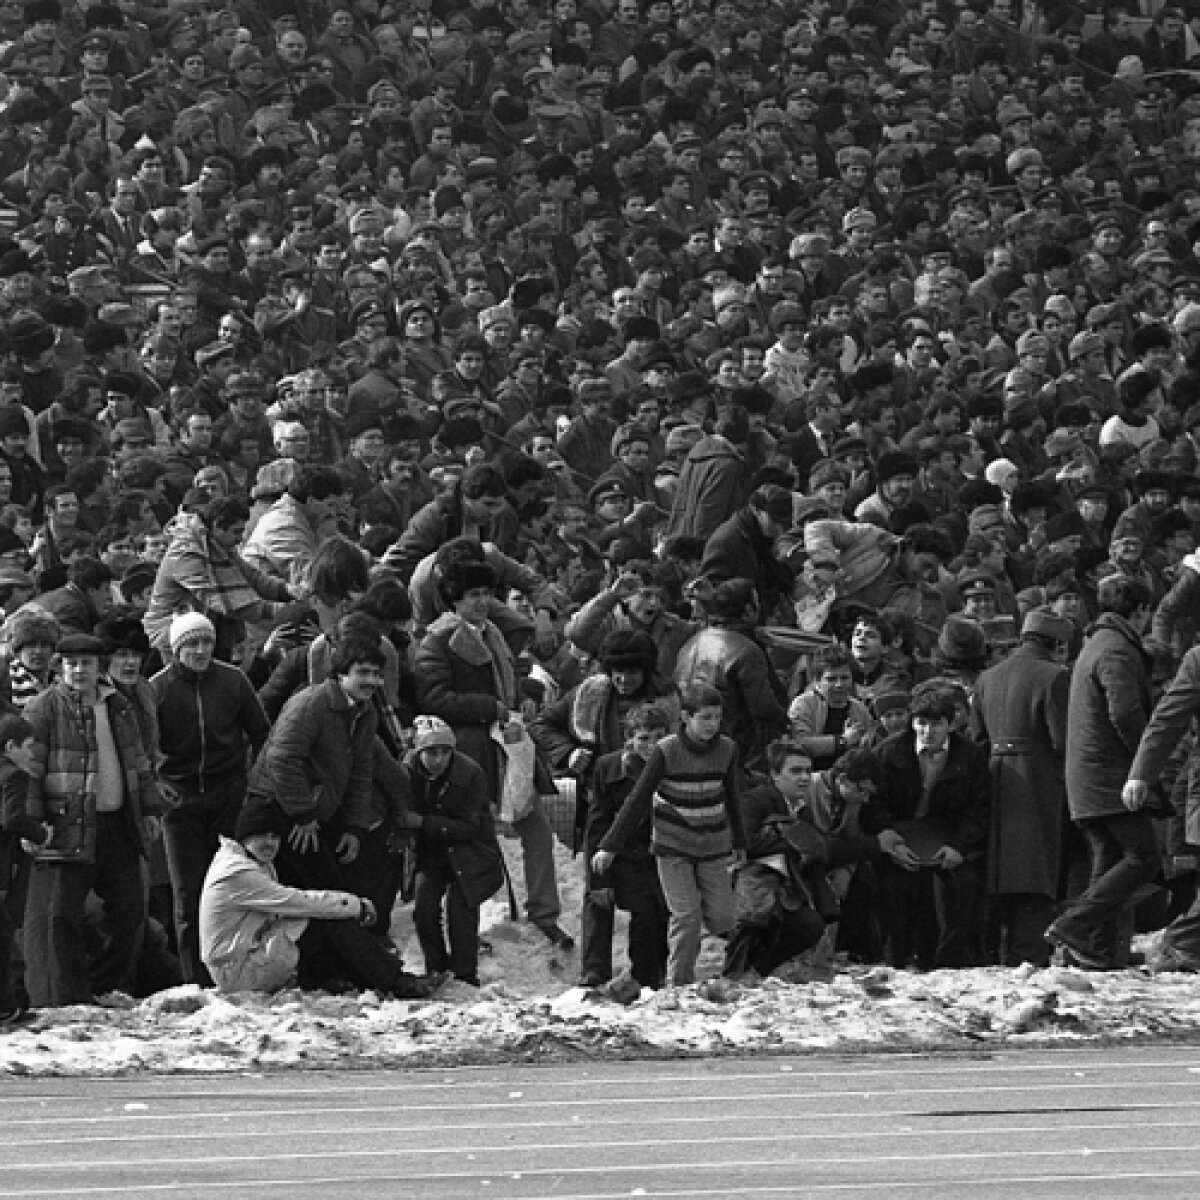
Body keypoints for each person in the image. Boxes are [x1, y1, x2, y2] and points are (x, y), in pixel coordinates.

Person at [239, 633, 437, 996]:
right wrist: (301, 815)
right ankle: (387, 978)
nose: (372, 682)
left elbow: (361, 772)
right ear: (340, 673)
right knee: (330, 895)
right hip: (276, 812)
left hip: (313, 814)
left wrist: (355, 827)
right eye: (363, 672)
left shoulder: (364, 712)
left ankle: (324, 974)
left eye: (377, 674)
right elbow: (282, 759)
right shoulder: (311, 704)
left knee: (321, 895)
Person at [415, 559, 570, 949]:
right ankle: (478, 919)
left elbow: (508, 682)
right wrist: (490, 706)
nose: (482, 602)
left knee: (535, 828)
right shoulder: (437, 641)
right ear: (455, 599)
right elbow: (433, 698)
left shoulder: (492, 633)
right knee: (477, 836)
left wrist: (522, 697)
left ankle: (543, 912)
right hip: (469, 749)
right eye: (473, 595)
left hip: (509, 743)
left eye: (486, 594)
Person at [21, 634, 163, 1006]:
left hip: (116, 824)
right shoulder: (43, 708)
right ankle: (66, 1000)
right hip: (65, 825)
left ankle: (105, 989)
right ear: (61, 668)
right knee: (60, 917)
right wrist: (31, 821)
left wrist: (149, 809)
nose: (79, 671)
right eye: (72, 664)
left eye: (86, 663)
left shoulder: (118, 705)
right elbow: (27, 769)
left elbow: (138, 763)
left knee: (130, 911)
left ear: (100, 666)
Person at [593, 682, 747, 987]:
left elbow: (732, 795)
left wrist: (740, 841)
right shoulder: (667, 751)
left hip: (713, 845)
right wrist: (609, 846)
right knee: (686, 916)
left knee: (723, 918)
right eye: (705, 718)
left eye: (716, 718)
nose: (711, 725)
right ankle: (680, 984)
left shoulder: (727, 749)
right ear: (686, 718)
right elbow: (637, 800)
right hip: (673, 846)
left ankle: (697, 951)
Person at [150, 613, 271, 985]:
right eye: (191, 644)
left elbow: (262, 732)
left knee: (236, 887)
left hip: (228, 795)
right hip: (180, 802)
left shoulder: (233, 681)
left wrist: (253, 780)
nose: (200, 650)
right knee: (187, 893)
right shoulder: (158, 688)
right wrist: (157, 781)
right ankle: (195, 980)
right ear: (176, 649)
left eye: (206, 642)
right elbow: (142, 745)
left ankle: (237, 974)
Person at [199, 803, 432, 996]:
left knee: (315, 919)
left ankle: (341, 979)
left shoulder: (247, 860)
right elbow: (298, 901)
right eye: (261, 835)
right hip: (240, 974)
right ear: (244, 837)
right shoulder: (239, 872)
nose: (270, 843)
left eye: (274, 836)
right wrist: (355, 905)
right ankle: (395, 981)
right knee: (326, 919)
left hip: (241, 960)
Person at [1049, 575, 1156, 971]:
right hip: (1109, 776)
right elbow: (1125, 712)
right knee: (1144, 856)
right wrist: (1147, 759)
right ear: (1141, 611)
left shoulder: (1097, 642)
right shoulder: (1117, 651)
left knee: (1109, 859)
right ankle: (1074, 926)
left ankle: (1094, 948)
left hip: (1087, 777)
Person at [723, 740, 882, 980]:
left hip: (786, 885)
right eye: (795, 771)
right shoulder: (755, 800)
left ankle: (756, 972)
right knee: (756, 912)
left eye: (808, 771)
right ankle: (733, 974)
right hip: (748, 880)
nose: (804, 778)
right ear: (776, 775)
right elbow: (744, 842)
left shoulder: (802, 810)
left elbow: (814, 849)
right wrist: (790, 841)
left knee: (810, 925)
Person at [970, 607, 1072, 966]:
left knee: (1000, 871)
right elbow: (1062, 741)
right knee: (1036, 868)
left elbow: (977, 738)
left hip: (996, 776)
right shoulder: (1054, 677)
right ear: (1056, 644)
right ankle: (1028, 951)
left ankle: (993, 950)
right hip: (1038, 778)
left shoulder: (987, 678)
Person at [864, 685, 992, 970]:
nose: (928, 731)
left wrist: (960, 845)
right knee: (894, 889)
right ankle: (896, 961)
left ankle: (951, 964)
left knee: (964, 888)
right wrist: (887, 837)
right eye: (921, 723)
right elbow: (873, 802)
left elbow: (979, 808)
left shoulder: (970, 756)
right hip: (901, 834)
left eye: (936, 724)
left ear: (950, 724)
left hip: (949, 834)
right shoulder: (889, 751)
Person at [403, 716, 504, 988]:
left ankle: (465, 974)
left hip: (470, 852)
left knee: (461, 911)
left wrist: (424, 823)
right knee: (424, 909)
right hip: (431, 853)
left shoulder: (469, 773)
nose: (438, 759)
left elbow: (471, 826)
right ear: (418, 752)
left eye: (445, 751)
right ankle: (435, 967)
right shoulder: (407, 771)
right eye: (431, 752)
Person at [579, 702, 672, 991]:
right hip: (616, 852)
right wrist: (599, 878)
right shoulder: (609, 767)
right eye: (644, 738)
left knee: (650, 913)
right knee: (597, 899)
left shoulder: (673, 765)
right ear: (629, 738)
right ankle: (594, 972)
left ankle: (647, 976)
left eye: (659, 737)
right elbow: (596, 824)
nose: (651, 745)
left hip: (655, 855)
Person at [0, 711, 43, 1022]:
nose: (32, 753)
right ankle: (5, 1005)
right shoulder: (14, 775)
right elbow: (13, 819)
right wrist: (41, 833)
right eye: (27, 746)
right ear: (10, 746)